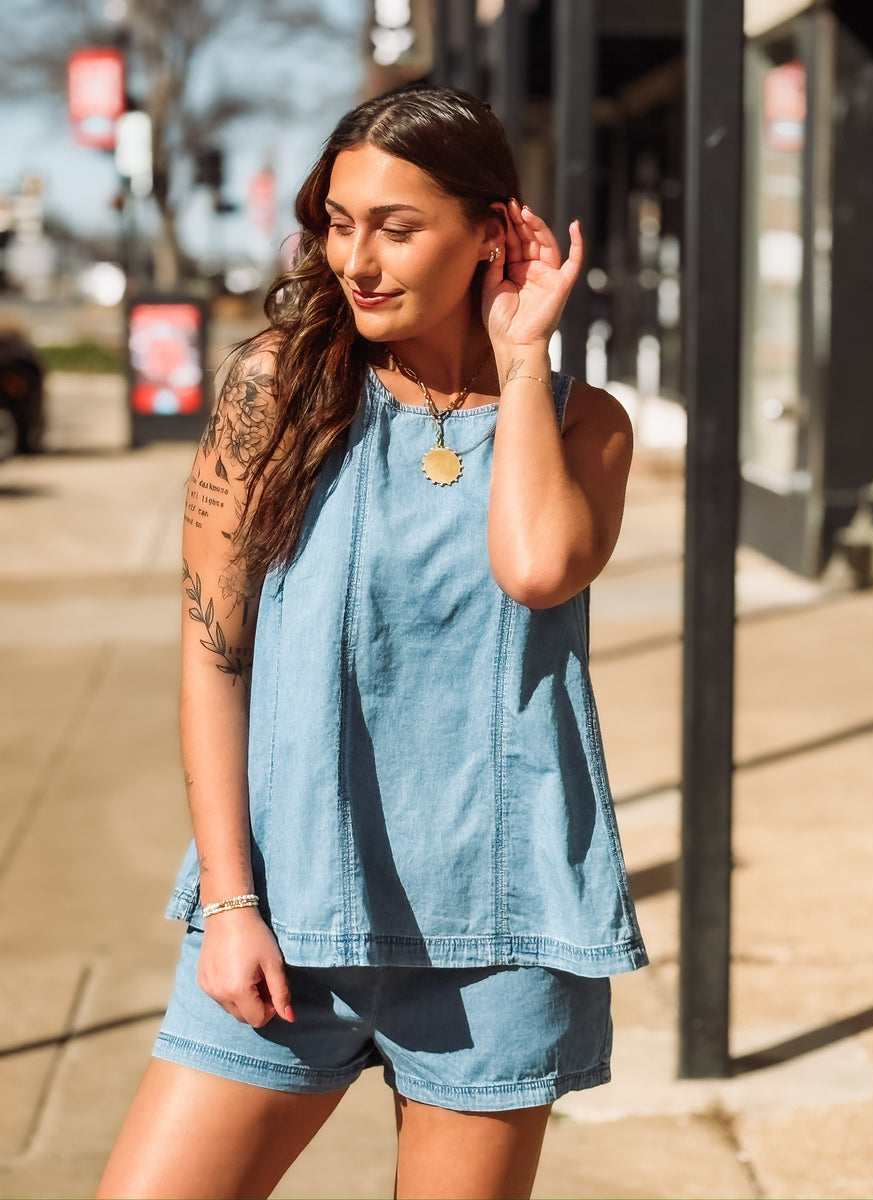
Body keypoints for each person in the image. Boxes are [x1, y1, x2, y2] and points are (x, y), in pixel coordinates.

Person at [97, 84, 647, 1200]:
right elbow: (214, 657)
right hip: (282, 916)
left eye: (397, 228)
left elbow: (537, 568)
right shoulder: (277, 390)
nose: (358, 260)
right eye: (341, 223)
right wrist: (229, 904)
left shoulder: (582, 423)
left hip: (496, 935)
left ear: (492, 234)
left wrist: (522, 359)